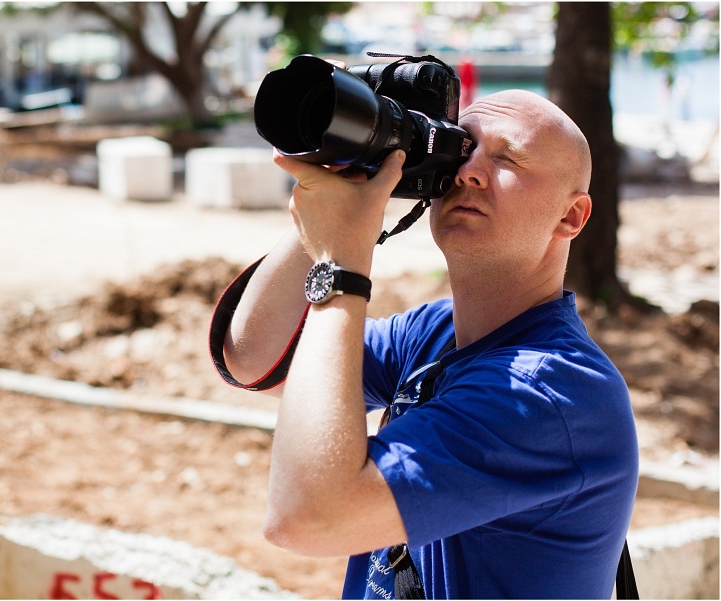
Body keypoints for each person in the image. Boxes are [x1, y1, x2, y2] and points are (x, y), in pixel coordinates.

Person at [214, 89, 639, 599]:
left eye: (506, 158)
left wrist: (342, 264)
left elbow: (306, 518)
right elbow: (257, 357)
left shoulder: (552, 391)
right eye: (461, 149)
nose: (468, 171)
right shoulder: (436, 331)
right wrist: (336, 190)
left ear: (571, 217)